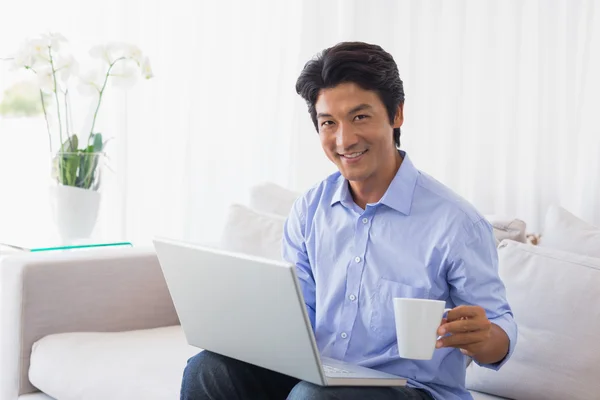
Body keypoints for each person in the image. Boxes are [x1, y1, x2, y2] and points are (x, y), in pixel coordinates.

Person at [180, 41, 517, 400]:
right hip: (322, 377)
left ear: (396, 114)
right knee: (208, 371)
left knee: (313, 398)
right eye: (329, 123)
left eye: (360, 117)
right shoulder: (310, 211)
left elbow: (500, 331)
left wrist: (483, 339)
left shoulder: (456, 223)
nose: (344, 139)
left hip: (413, 391)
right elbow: (300, 318)